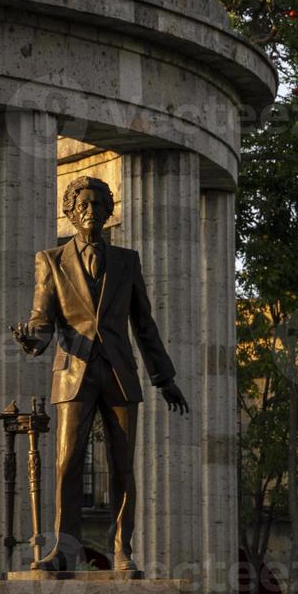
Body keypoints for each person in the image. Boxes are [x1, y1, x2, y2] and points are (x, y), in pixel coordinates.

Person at [12, 175, 189, 573]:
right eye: (84, 205)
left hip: (119, 372)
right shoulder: (51, 260)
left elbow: (144, 325)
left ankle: (122, 550)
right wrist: (31, 339)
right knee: (66, 463)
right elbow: (42, 319)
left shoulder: (128, 261)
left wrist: (164, 378)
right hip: (73, 371)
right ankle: (64, 550)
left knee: (123, 465)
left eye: (99, 205)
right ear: (71, 212)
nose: (92, 211)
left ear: (109, 212)